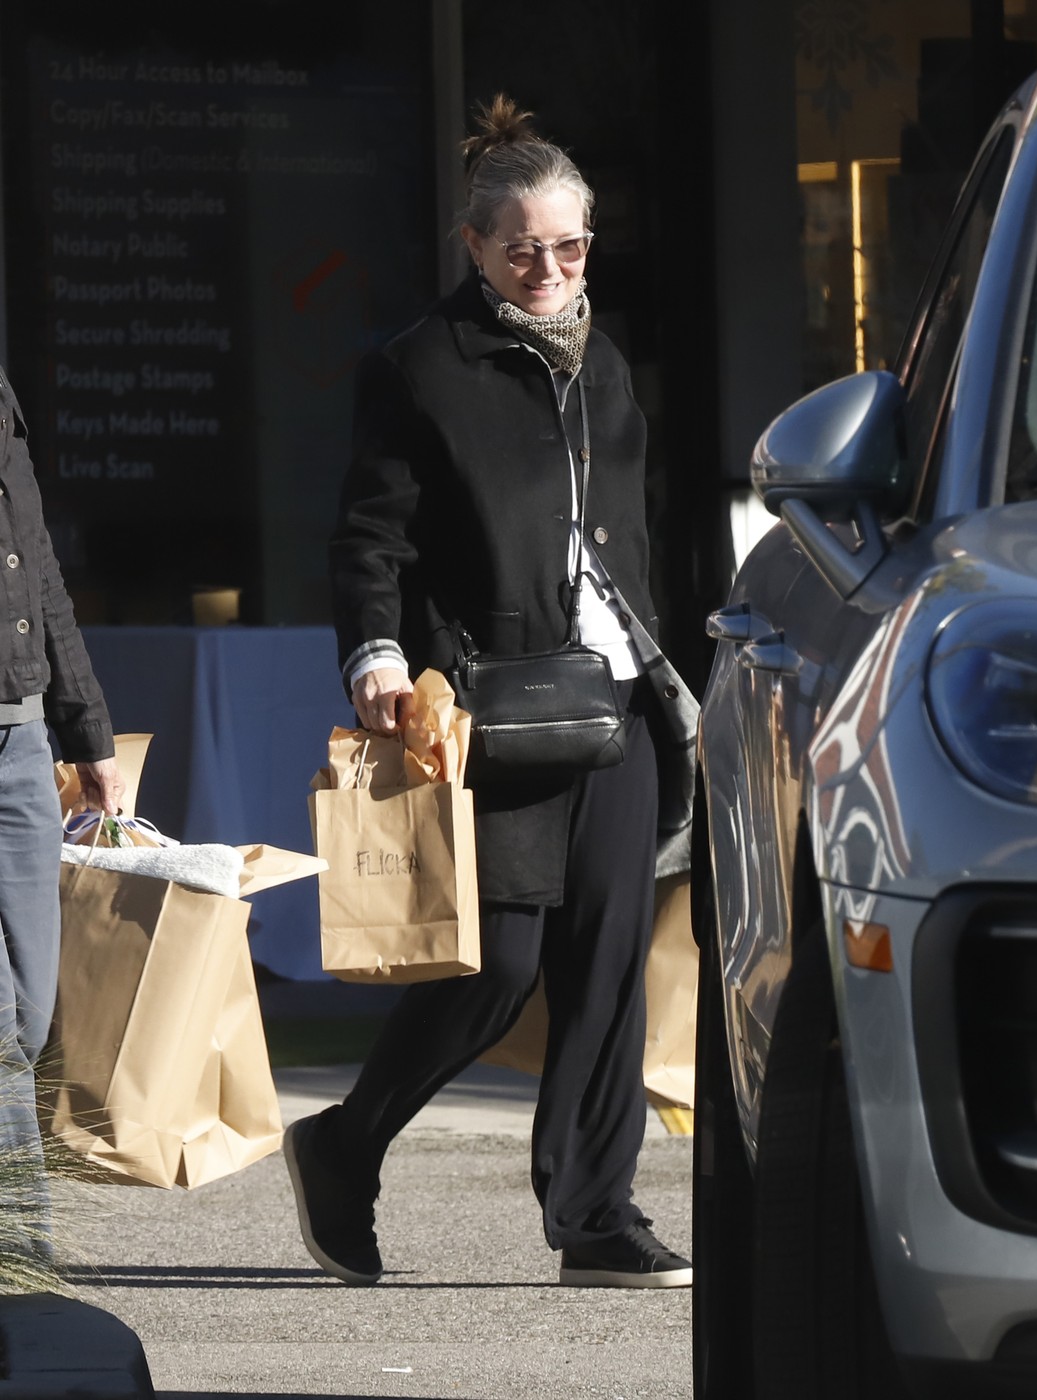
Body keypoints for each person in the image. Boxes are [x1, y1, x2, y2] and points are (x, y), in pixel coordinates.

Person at [284, 95, 697, 1289]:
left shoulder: (604, 362)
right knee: (497, 967)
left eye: (567, 246)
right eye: (520, 248)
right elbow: (370, 537)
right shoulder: (418, 365)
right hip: (491, 708)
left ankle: (594, 1214)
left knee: (606, 959)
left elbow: (630, 530)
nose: (547, 268)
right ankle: (345, 1141)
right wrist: (375, 653)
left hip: (613, 704)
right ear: (473, 246)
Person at [0, 365, 123, 1266]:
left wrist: (87, 729)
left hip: (21, 739)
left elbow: (36, 564)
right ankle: (22, 1257)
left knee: (35, 1016)